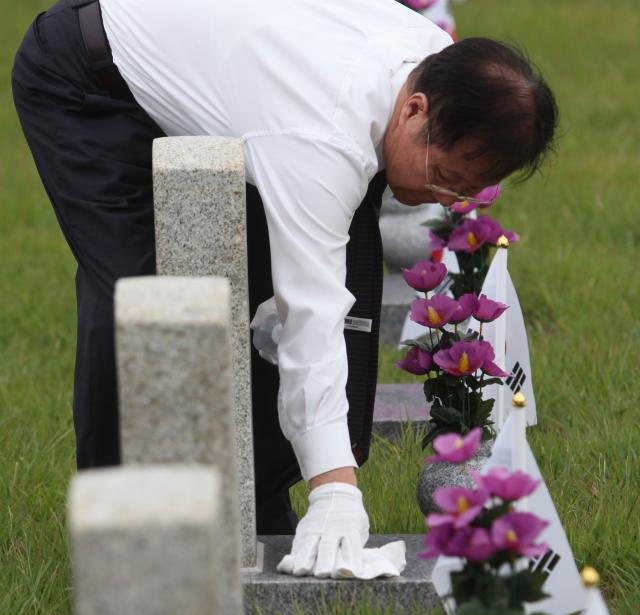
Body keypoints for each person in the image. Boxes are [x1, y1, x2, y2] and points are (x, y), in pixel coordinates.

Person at [12, 0, 558, 579]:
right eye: (444, 177)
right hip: (89, 79)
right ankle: (123, 537)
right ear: (416, 109)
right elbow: (310, 318)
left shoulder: (439, 67)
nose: (445, 200)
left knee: (263, 284)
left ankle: (259, 500)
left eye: (463, 191)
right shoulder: (322, 136)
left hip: (237, 89)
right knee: (144, 304)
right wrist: (337, 490)